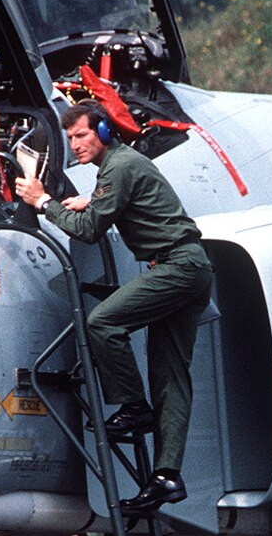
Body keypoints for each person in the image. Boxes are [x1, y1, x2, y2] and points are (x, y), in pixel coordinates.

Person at [14, 103, 213, 511]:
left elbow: (87, 233)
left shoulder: (118, 167)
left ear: (104, 131)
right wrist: (91, 200)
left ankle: (134, 407)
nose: (75, 146)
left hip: (176, 266)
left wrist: (42, 202)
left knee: (102, 322)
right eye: (70, 139)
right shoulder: (122, 167)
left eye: (82, 136)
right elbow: (119, 201)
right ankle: (167, 477)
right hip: (189, 267)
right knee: (171, 376)